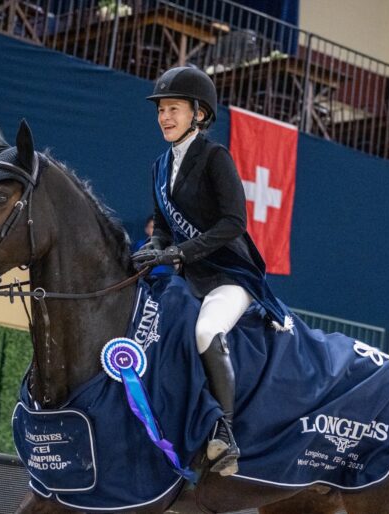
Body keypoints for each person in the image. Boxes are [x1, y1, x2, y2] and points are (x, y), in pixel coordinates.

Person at [131, 66, 292, 476]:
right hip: (189, 278)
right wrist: (152, 251)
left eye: (173, 109)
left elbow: (233, 222)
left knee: (205, 331)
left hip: (230, 275)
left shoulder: (215, 157)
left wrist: (179, 253)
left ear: (199, 114)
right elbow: (162, 226)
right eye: (161, 110)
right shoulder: (157, 166)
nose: (164, 117)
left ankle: (225, 431)